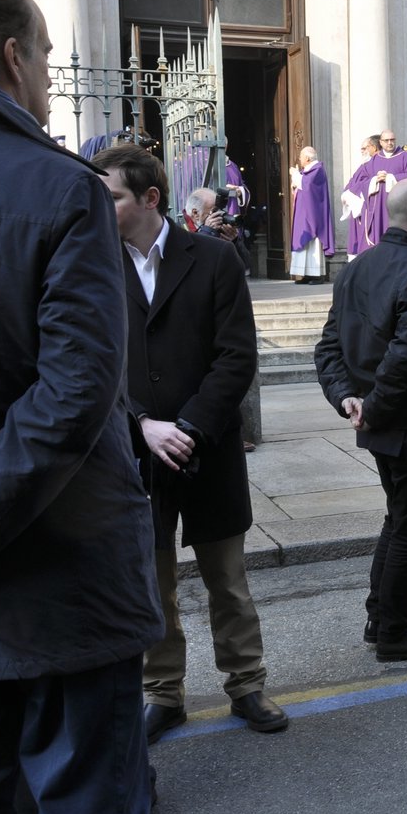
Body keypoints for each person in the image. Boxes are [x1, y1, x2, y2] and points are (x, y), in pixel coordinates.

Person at [0, 0, 160, 814]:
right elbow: (78, 389)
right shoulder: (59, 186)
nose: (47, 75)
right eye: (43, 55)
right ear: (9, 56)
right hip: (59, 580)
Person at [98, 146, 289, 737]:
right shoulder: (94, 264)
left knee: (227, 581)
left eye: (113, 198)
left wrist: (188, 426)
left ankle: (247, 685)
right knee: (154, 585)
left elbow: (236, 357)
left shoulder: (213, 258)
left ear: (150, 198)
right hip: (137, 453)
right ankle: (164, 692)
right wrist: (141, 424)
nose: (102, 209)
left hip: (207, 448)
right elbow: (92, 361)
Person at [315, 179, 407, 662]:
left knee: (398, 520)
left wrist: (347, 400)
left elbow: (328, 346)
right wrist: (364, 405)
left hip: (379, 420)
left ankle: (381, 618)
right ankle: (393, 629)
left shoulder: (359, 268)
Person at [343, 129, 407, 257]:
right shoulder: (374, 159)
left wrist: (390, 177)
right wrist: (374, 180)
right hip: (376, 208)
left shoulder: (405, 157)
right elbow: (362, 180)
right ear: (381, 143)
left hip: (397, 205)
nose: (390, 143)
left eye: (392, 140)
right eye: (386, 140)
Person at [289, 145, 334, 282]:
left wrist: (294, 174)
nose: (300, 159)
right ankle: (306, 274)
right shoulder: (307, 171)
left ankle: (317, 275)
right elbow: (301, 187)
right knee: (303, 242)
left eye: (301, 157)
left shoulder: (318, 170)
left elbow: (308, 186)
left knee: (314, 241)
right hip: (304, 212)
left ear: (307, 158)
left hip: (314, 214)